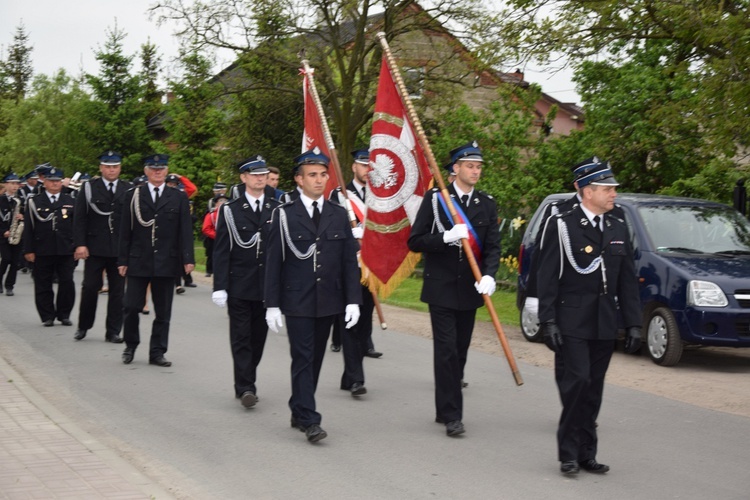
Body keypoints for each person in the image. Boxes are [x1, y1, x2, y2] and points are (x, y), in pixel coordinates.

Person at [536, 161, 642, 476]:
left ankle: (586, 453)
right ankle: (568, 452)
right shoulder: (562, 224)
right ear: (587, 191)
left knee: (593, 387)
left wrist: (634, 323)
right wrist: (548, 320)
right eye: (608, 189)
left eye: (613, 189)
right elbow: (547, 276)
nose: (613, 194)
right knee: (577, 382)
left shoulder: (618, 224)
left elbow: (626, 279)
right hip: (571, 320)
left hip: (605, 321)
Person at [264, 147, 362, 443]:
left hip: (328, 299)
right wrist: (272, 305)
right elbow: (273, 262)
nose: (319, 181)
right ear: (298, 179)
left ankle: (298, 407)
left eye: (323, 175)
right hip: (297, 299)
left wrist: (353, 299)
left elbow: (348, 260)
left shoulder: (337, 214)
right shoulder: (283, 215)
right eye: (312, 175)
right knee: (303, 356)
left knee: (315, 358)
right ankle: (310, 419)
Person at [407, 141, 501, 437]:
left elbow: (494, 248)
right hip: (441, 288)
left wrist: (490, 276)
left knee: (459, 352)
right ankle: (452, 415)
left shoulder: (486, 203)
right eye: (470, 166)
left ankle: (443, 405)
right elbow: (415, 240)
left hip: (470, 290)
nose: (475, 171)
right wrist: (445, 237)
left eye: (478, 167)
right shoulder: (436, 200)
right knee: (446, 350)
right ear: (455, 169)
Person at [212, 156, 280, 408]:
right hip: (239, 284)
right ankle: (245, 387)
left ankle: (246, 376)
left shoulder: (277, 206)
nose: (260, 178)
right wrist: (220, 286)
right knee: (241, 337)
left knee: (257, 340)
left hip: (266, 287)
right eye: (254, 174)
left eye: (263, 174)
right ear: (243, 178)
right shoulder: (230, 209)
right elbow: (221, 251)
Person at [118, 154, 195, 367]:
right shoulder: (133, 195)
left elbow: (185, 231)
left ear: (166, 169)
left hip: (166, 261)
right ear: (146, 171)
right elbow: (125, 230)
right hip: (138, 259)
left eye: (161, 168)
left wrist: (187, 258)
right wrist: (122, 259)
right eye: (153, 168)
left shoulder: (177, 197)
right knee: (131, 306)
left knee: (163, 311)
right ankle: (130, 345)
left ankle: (157, 351)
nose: (157, 172)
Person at [328, 149, 381, 397]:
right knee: (349, 323)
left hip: (370, 268)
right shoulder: (339, 195)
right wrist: (351, 236)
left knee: (362, 325)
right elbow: (328, 228)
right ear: (353, 167)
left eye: (370, 166)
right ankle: (357, 378)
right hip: (344, 268)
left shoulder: (380, 197)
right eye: (363, 165)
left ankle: (349, 376)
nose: (367, 170)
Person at [72, 151, 132, 343]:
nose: (111, 170)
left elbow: (132, 222)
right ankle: (83, 326)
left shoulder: (128, 188)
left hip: (119, 250)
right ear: (101, 168)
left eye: (115, 166)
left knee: (117, 291)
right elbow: (79, 218)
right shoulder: (89, 188)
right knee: (90, 287)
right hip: (95, 247)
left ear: (120, 168)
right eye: (107, 166)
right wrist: (80, 244)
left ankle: (113, 331)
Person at [22, 167, 77, 326]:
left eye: (57, 181)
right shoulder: (34, 201)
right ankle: (47, 315)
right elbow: (29, 227)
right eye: (51, 181)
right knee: (43, 283)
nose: (54, 184)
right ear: (44, 182)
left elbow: (76, 226)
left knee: (67, 282)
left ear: (61, 183)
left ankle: (64, 314)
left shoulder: (70, 200)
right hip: (42, 249)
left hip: (65, 248)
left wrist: (78, 246)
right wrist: (29, 250)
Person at [0, 172, 24, 296]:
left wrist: (22, 216)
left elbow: (29, 216)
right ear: (6, 184)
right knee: (6, 259)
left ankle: (10, 286)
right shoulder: (1, 200)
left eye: (16, 184)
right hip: (3, 236)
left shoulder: (21, 200)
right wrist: (3, 231)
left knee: (15, 262)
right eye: (12, 183)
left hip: (17, 235)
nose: (15, 186)